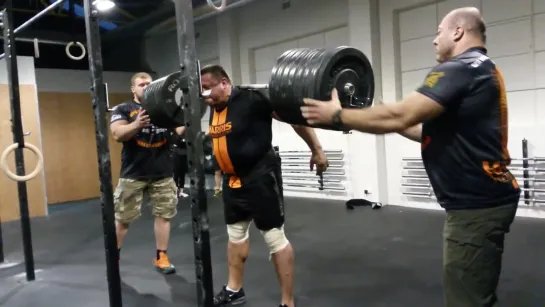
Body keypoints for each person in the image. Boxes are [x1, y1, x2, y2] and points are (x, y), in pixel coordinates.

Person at [301, 7, 520, 307]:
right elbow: (423, 128)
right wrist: (375, 113)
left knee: (466, 301)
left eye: (438, 31)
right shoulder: (484, 68)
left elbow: (402, 114)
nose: (434, 40)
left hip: (475, 207)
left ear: (458, 32)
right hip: (489, 200)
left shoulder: (459, 69)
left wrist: (338, 115)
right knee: (476, 290)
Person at [200, 64, 329, 307]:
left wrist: (317, 150)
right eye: (202, 89)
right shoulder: (215, 107)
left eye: (207, 88)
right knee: (235, 236)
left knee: (274, 238)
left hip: (260, 179)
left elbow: (295, 119)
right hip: (232, 182)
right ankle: (234, 290)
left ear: (224, 83)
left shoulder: (252, 99)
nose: (203, 94)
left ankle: (287, 302)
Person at [110, 72, 184, 275]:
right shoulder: (123, 109)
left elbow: (178, 132)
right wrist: (136, 125)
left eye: (149, 84)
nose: (146, 87)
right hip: (133, 173)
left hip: (162, 172)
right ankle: (113, 257)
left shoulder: (165, 108)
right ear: (133, 89)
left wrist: (186, 115)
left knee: (164, 216)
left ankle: (161, 257)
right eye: (141, 84)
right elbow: (117, 134)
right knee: (123, 218)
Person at [171, 129, 189, 198]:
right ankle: (174, 192)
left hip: (184, 157)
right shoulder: (175, 135)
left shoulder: (187, 136)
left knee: (182, 175)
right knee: (176, 175)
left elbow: (188, 145)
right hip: (176, 157)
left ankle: (181, 192)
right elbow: (177, 142)